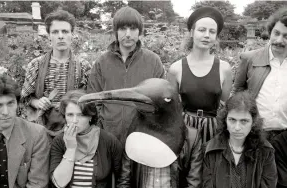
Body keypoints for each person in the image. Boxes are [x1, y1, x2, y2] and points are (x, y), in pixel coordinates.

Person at [43, 90, 123, 188]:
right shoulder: (59, 141)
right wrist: (71, 148)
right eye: (70, 115)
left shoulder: (108, 141)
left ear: (90, 116)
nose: (74, 120)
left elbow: (122, 179)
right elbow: (60, 183)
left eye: (80, 115)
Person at [232, 7, 287, 140]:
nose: (279, 40)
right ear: (270, 31)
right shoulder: (249, 59)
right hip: (255, 133)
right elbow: (238, 92)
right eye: (276, 33)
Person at [87, 6, 165, 144]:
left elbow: (161, 99)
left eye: (133, 28)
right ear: (115, 31)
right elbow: (94, 98)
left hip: (142, 136)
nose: (128, 34)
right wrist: (103, 124)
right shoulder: (102, 62)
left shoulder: (153, 61)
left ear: (140, 31)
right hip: (108, 135)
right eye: (123, 29)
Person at [201, 91, 277, 188]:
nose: (237, 127)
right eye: (232, 120)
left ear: (253, 122)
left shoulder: (265, 152)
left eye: (244, 121)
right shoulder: (210, 150)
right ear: (225, 120)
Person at [167, 6, 233, 144]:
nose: (207, 35)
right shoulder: (176, 69)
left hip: (214, 130)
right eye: (202, 30)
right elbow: (172, 107)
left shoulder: (224, 69)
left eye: (212, 31)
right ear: (192, 32)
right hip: (185, 130)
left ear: (216, 36)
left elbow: (224, 105)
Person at [21, 9, 91, 138]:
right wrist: (38, 103)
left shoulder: (83, 66)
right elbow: (26, 98)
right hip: (42, 129)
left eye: (65, 31)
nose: (60, 36)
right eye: (55, 32)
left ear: (72, 34)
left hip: (74, 130)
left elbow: (87, 101)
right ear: (49, 36)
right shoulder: (36, 65)